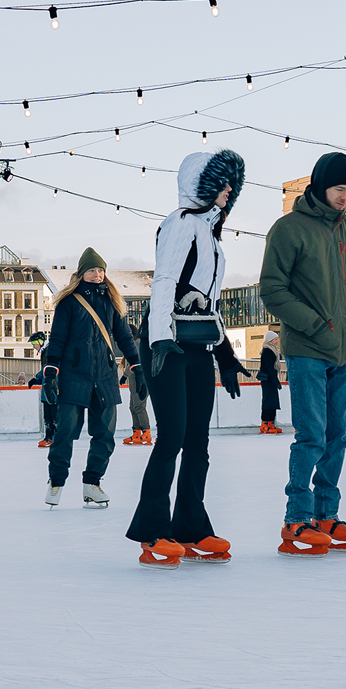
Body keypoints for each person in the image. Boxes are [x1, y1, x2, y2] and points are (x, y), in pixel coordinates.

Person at [125, 149, 248, 568]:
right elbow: (163, 283)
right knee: (172, 437)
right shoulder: (179, 223)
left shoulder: (211, 235)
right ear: (201, 185)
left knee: (198, 440)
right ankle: (153, 531)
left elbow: (207, 303)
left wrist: (226, 355)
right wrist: (158, 340)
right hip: (167, 344)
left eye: (232, 184)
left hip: (196, 343)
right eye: (221, 182)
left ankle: (191, 526)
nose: (229, 191)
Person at [259, 152, 346, 558]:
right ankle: (296, 518)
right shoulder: (288, 229)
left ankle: (327, 515)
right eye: (341, 189)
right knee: (310, 436)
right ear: (322, 186)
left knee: (338, 435)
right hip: (307, 349)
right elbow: (271, 289)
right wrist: (314, 324)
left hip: (342, 349)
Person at [41, 248, 142, 513]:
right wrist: (50, 371)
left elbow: (124, 337)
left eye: (100, 270)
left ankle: (92, 483)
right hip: (75, 375)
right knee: (65, 433)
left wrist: (137, 365)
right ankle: (57, 481)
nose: (97, 275)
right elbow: (58, 339)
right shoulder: (69, 302)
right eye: (92, 270)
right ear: (81, 273)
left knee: (105, 435)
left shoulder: (112, 301)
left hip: (106, 376)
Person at [25, 332, 55, 448]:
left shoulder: (48, 351)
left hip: (52, 389)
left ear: (40, 341)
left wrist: (37, 379)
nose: (33, 346)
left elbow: (47, 369)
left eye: (33, 343)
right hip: (47, 388)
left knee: (52, 416)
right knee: (48, 416)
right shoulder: (45, 351)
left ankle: (52, 438)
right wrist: (36, 380)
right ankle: (49, 438)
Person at [120, 360, 153, 445]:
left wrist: (125, 375)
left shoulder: (136, 347)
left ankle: (146, 432)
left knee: (139, 406)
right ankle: (137, 432)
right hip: (133, 380)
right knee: (133, 407)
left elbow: (136, 362)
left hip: (140, 379)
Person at [258, 330, 284, 434]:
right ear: (270, 340)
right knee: (269, 400)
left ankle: (270, 423)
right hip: (267, 379)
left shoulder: (272, 350)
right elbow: (269, 367)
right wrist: (275, 381)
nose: (277, 341)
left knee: (273, 401)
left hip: (270, 379)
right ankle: (265, 424)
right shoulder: (267, 351)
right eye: (275, 339)